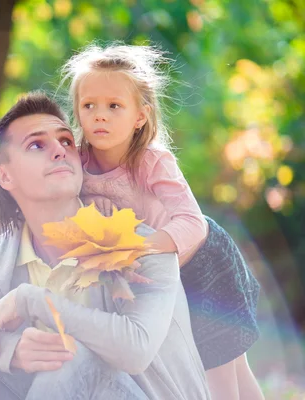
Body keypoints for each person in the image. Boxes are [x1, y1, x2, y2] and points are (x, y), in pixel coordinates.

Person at [0, 92, 210, 399]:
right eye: (36, 145)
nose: (59, 151)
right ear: (5, 176)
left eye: (65, 141)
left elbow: (136, 350)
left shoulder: (141, 244)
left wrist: (34, 301)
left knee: (71, 356)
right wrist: (14, 350)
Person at [60, 43, 262, 400]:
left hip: (202, 262)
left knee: (222, 371)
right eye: (88, 105)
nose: (99, 115)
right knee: (224, 367)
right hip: (157, 269)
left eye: (114, 106)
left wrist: (136, 248)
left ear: (140, 115)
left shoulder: (151, 161)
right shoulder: (76, 162)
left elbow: (191, 221)